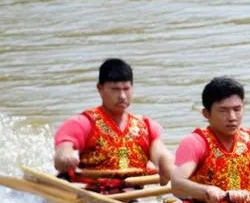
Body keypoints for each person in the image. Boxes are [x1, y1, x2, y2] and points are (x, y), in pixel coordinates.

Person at [53, 58, 173, 192]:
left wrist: (166, 164)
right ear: (100, 89)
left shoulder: (147, 126)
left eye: (126, 89)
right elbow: (62, 153)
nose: (122, 96)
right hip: (92, 192)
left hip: (132, 193)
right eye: (115, 89)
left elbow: (160, 152)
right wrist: (66, 157)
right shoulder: (81, 123)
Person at [171, 76, 250, 203]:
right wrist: (207, 191)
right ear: (206, 114)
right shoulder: (195, 142)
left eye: (237, 109)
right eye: (223, 111)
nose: (232, 117)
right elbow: (176, 184)